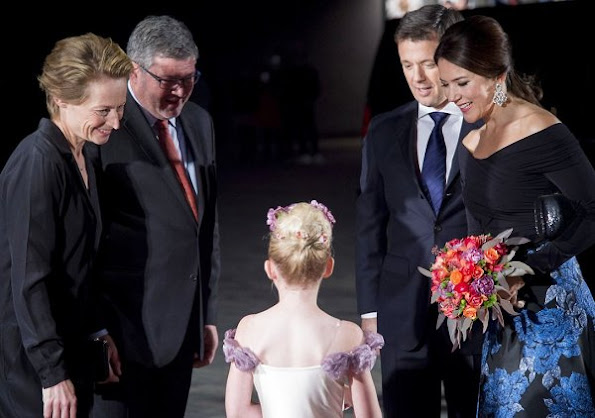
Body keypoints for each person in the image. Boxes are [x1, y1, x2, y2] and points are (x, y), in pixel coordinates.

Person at [435, 15, 595, 417]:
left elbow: (592, 212)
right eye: (446, 84)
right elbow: (477, 236)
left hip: (551, 310)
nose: (452, 96)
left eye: (462, 83)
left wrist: (528, 270)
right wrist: (466, 281)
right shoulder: (471, 140)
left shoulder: (541, 130)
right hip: (502, 316)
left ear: (498, 76)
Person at [355, 5, 484, 418]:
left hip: (474, 312)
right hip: (400, 312)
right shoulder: (383, 130)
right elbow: (370, 225)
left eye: (427, 63)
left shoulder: (488, 127)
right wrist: (370, 313)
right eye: (407, 65)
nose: (418, 77)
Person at [90, 15, 220, 418]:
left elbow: (205, 228)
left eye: (189, 78)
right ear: (134, 70)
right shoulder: (105, 128)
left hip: (182, 334)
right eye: (167, 80)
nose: (179, 91)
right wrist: (95, 330)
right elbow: (84, 242)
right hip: (122, 339)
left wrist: (206, 314)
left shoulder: (199, 122)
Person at [0, 33, 131, 418]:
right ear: (61, 99)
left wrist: (98, 331)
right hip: (32, 367)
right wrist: (52, 374)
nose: (116, 122)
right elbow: (30, 281)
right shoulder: (37, 164)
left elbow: (79, 266)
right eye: (103, 110)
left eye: (120, 108)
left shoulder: (84, 156)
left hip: (72, 347)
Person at [223, 200, 383, 418]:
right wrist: (333, 399)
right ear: (328, 267)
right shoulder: (347, 334)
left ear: (270, 269)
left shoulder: (249, 329)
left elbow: (238, 413)